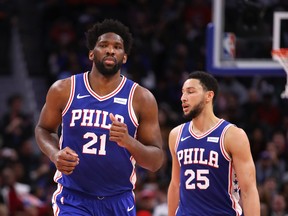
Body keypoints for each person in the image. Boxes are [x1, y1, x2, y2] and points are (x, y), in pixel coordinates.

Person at [34, 19, 164, 216]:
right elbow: (43, 129)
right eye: (103, 45)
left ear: (125, 57)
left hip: (119, 200)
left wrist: (128, 141)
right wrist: (55, 154)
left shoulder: (141, 98)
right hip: (73, 198)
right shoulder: (64, 89)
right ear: (91, 54)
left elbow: (155, 161)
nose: (110, 50)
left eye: (117, 47)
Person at [167, 71, 260, 216]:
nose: (183, 98)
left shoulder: (232, 135)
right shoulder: (176, 135)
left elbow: (248, 190)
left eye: (190, 92)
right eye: (182, 93)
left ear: (209, 96)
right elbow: (175, 185)